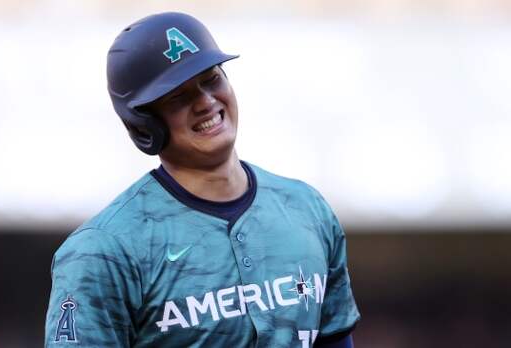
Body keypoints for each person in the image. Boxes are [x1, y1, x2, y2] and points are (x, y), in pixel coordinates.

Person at [44, 12, 360, 347]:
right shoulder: (103, 250)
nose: (206, 102)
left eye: (210, 80)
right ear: (143, 124)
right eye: (178, 97)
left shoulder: (306, 209)